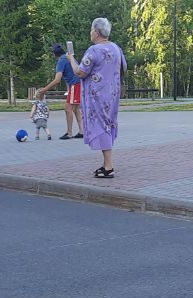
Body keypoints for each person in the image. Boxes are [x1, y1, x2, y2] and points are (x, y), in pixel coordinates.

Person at [66, 18, 126, 178]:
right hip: (112, 95)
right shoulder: (116, 48)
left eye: (91, 30)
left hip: (97, 97)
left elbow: (80, 72)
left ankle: (109, 167)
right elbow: (123, 68)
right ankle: (107, 163)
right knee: (108, 124)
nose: (90, 33)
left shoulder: (94, 50)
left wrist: (71, 59)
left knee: (101, 126)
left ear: (97, 32)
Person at [38, 44, 84, 139]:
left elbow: (57, 80)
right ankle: (82, 131)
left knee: (68, 109)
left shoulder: (61, 61)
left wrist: (44, 90)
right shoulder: (68, 57)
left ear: (54, 54)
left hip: (75, 85)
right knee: (75, 109)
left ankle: (69, 133)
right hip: (80, 83)